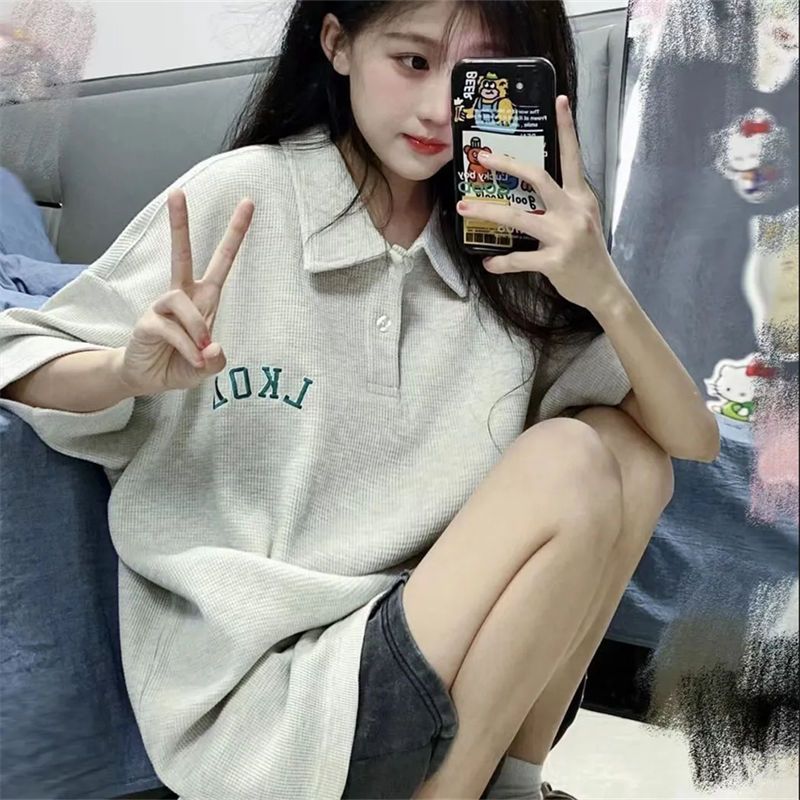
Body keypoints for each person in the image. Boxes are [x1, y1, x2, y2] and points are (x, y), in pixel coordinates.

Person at [0, 1, 720, 798]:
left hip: (426, 650)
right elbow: (17, 352)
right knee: (569, 459)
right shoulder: (243, 194)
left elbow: (688, 442)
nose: (438, 109)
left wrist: (602, 287)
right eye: (412, 62)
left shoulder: (504, 251)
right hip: (273, 697)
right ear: (338, 45)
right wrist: (124, 372)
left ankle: (513, 785)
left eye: (475, 78)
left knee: (627, 457)